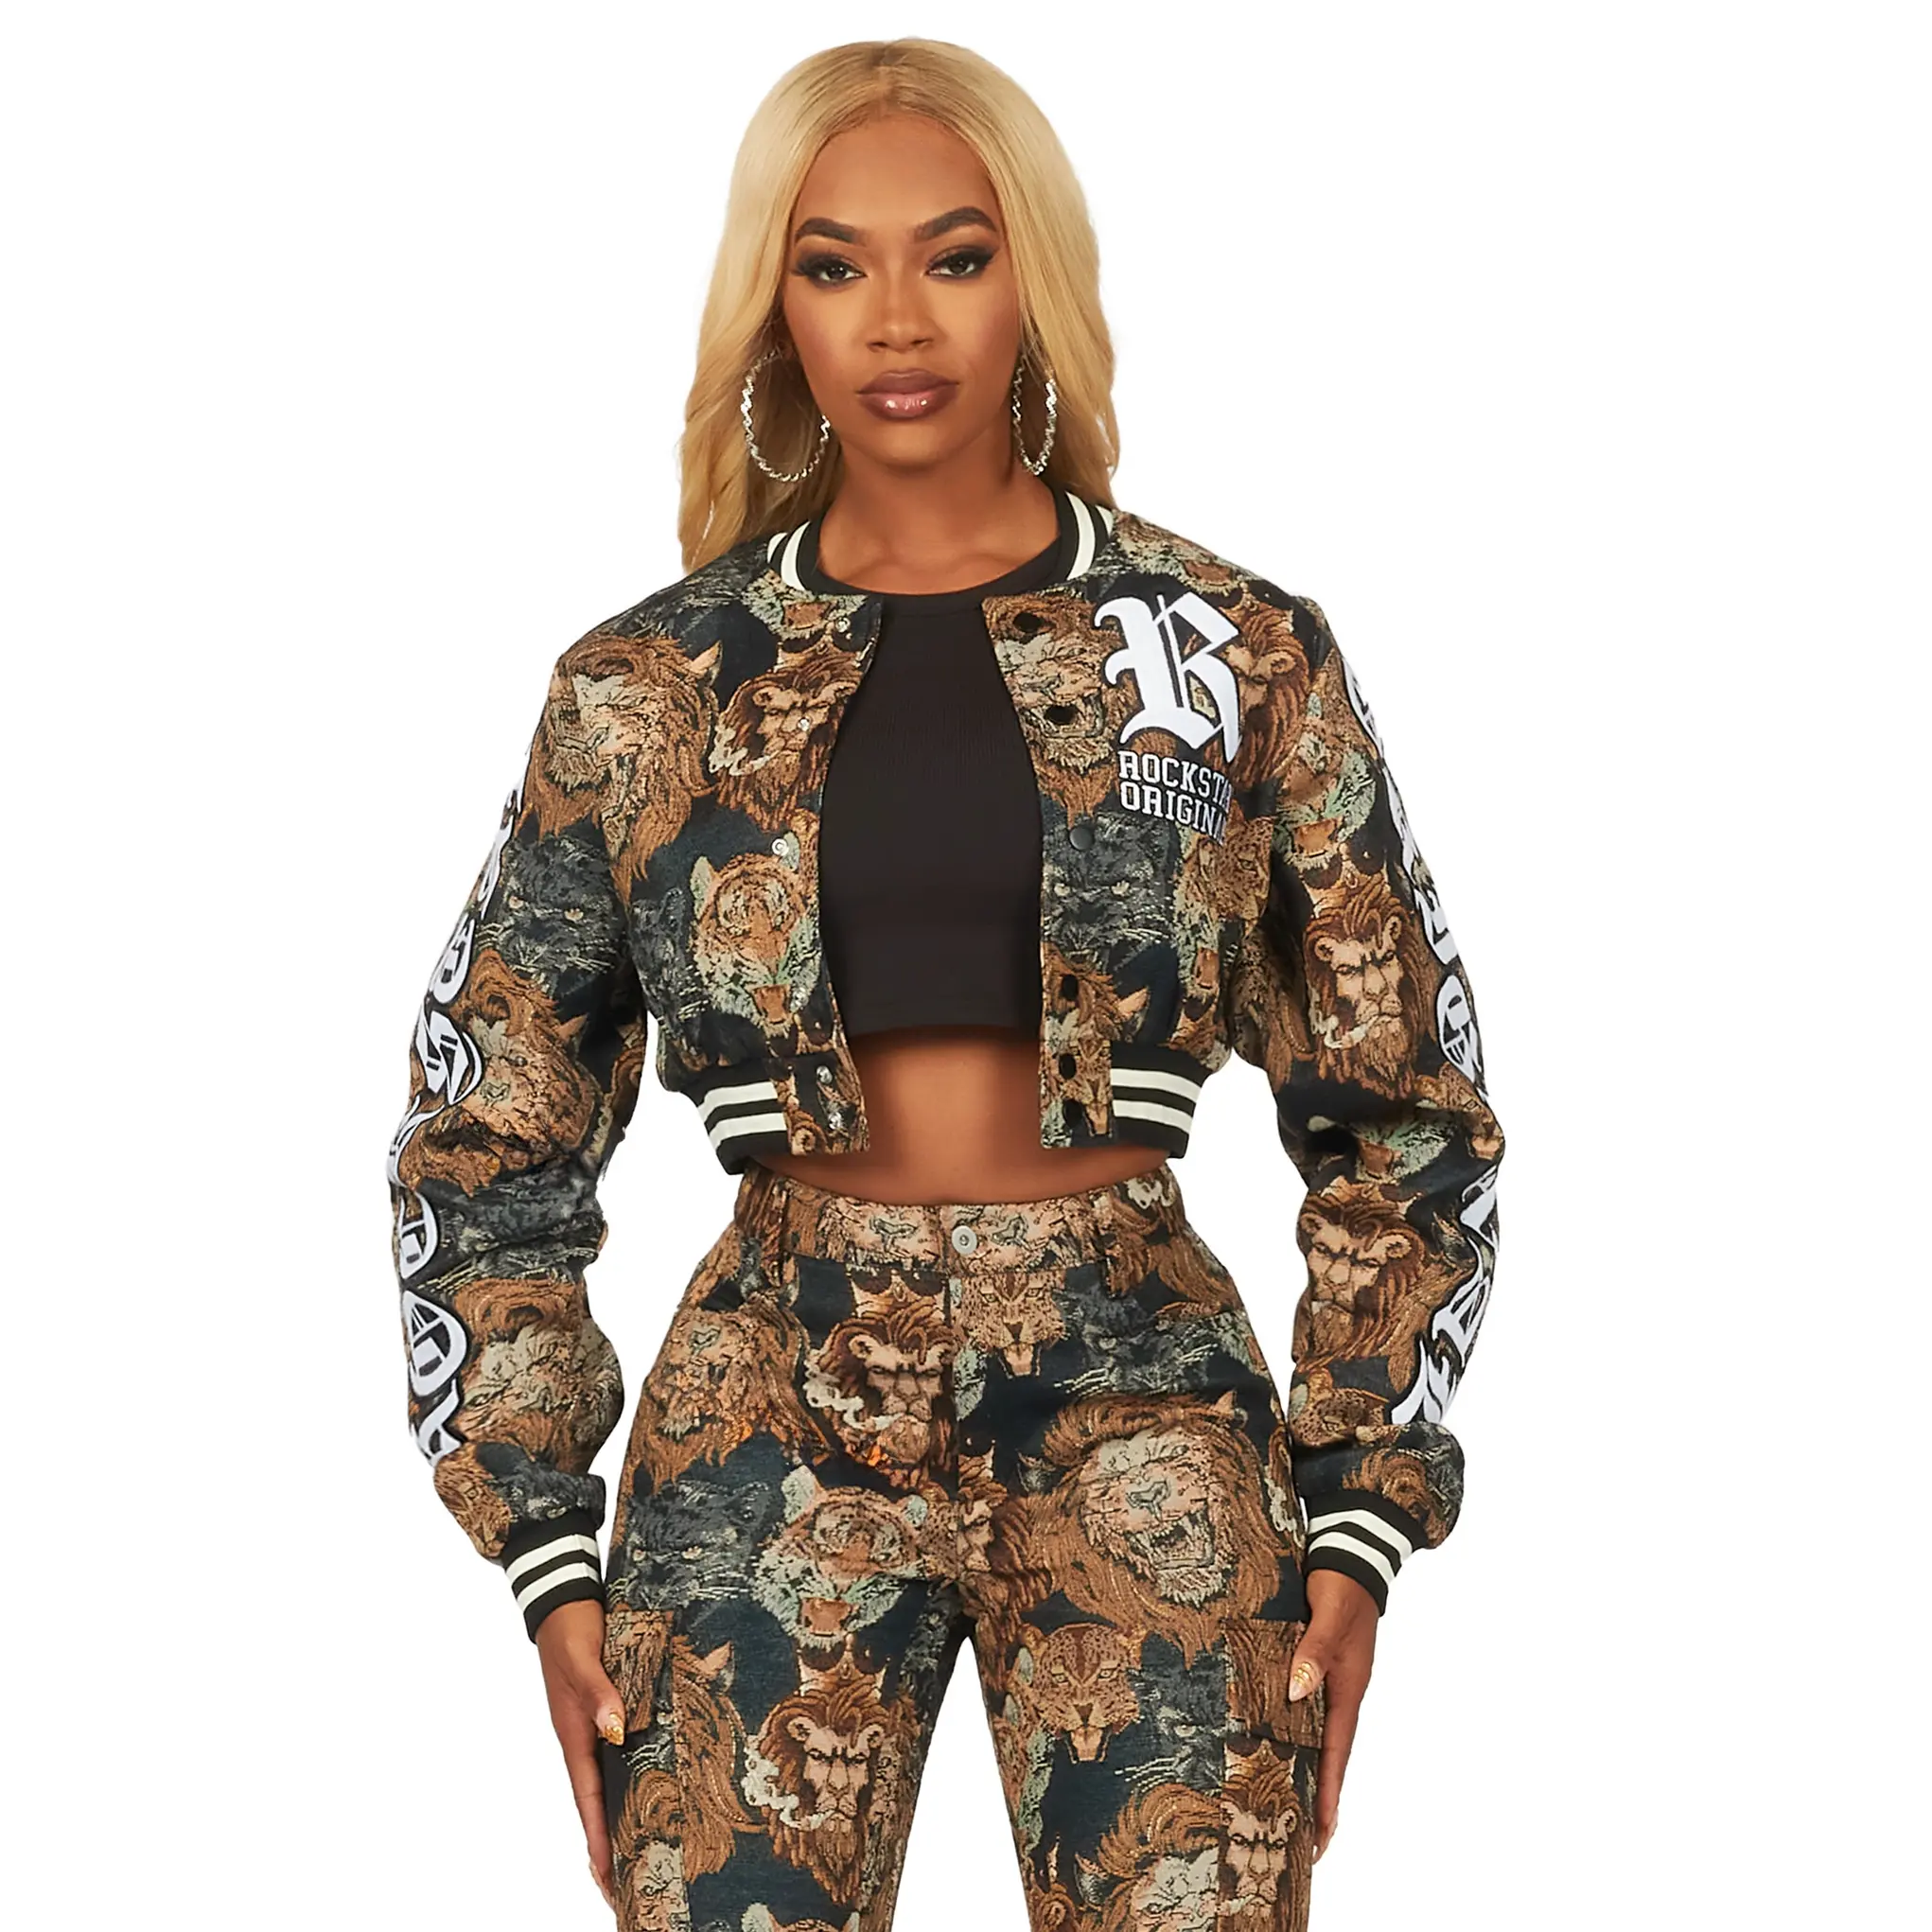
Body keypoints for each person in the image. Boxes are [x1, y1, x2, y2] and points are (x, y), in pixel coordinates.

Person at [386, 37, 1503, 1932]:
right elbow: (483, 1129)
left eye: (955, 256)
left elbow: (1407, 1104)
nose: (896, 321)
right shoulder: (646, 687)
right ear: (775, 307)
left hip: (1142, 1395)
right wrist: (546, 1548)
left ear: (1032, 278)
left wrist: (1358, 1509)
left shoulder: (1232, 651)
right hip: (769, 1405)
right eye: (831, 265)